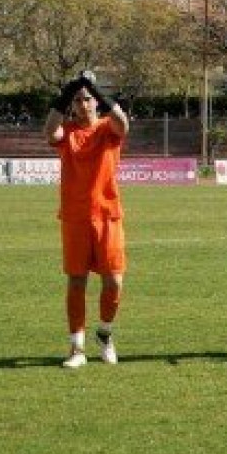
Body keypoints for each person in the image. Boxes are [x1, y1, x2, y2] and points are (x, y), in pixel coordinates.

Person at [44, 71, 130, 368]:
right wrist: (64, 94)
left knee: (114, 282)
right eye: (78, 100)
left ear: (97, 102)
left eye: (88, 99)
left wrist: (97, 89)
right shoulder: (66, 131)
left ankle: (105, 333)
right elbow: (49, 132)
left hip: (108, 215)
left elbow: (124, 124)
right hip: (75, 216)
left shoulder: (108, 129)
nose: (83, 104)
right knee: (76, 281)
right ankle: (76, 348)